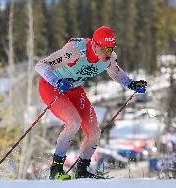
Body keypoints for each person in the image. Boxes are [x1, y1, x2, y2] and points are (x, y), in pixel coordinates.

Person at [35, 26, 147, 179]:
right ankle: (56, 169)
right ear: (94, 45)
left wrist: (131, 84)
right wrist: (57, 81)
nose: (108, 53)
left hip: (74, 89)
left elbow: (116, 72)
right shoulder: (74, 50)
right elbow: (41, 65)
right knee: (74, 122)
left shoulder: (109, 58)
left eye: (111, 48)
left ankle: (82, 171)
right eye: (104, 49)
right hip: (52, 87)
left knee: (94, 131)